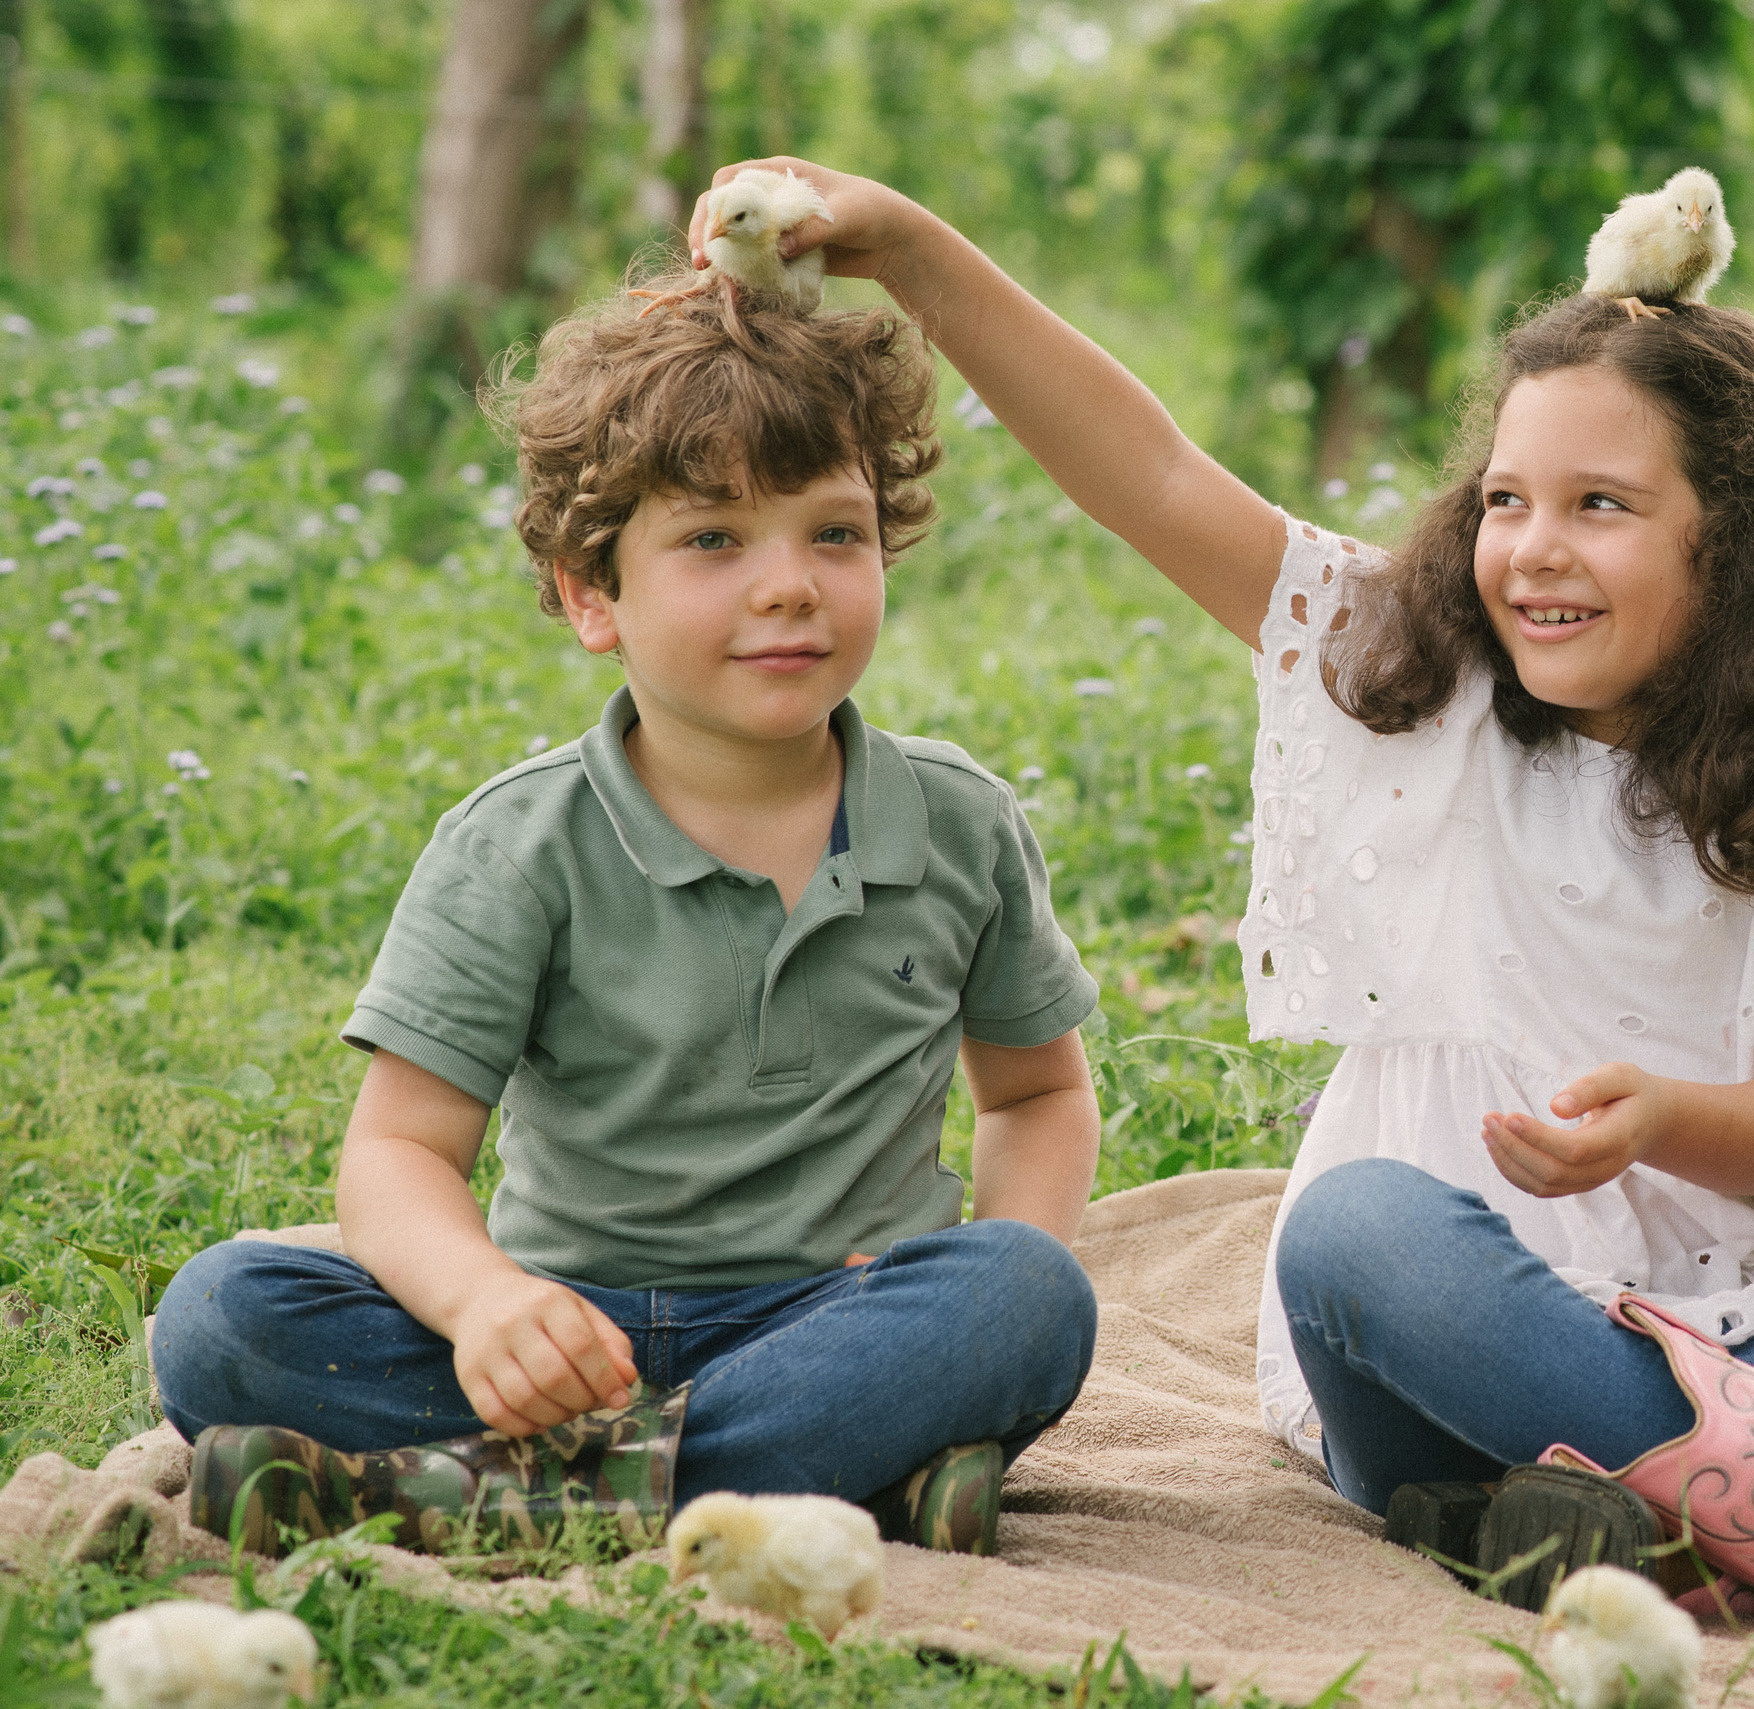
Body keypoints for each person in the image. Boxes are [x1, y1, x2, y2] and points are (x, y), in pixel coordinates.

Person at [661, 159, 1754, 1607]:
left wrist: (1657, 1114)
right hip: (1444, 1348)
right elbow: (1149, 472)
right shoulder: (1416, 679)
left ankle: (1661, 1512)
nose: (1531, 547)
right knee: (1354, 1235)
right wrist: (909, 247)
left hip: (1753, 1338)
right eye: (1508, 498)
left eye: (1602, 505)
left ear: (1738, 542)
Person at [151, 275, 1103, 1559]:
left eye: (835, 533)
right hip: (566, 1325)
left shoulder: (956, 822)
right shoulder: (515, 844)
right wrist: (488, 1303)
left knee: (1027, 1296)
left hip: (841, 1313)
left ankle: (489, 1492)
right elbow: (399, 1154)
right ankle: (824, 1482)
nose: (790, 586)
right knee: (219, 1312)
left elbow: (1036, 1094)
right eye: (714, 540)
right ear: (592, 593)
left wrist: (990, 1297)